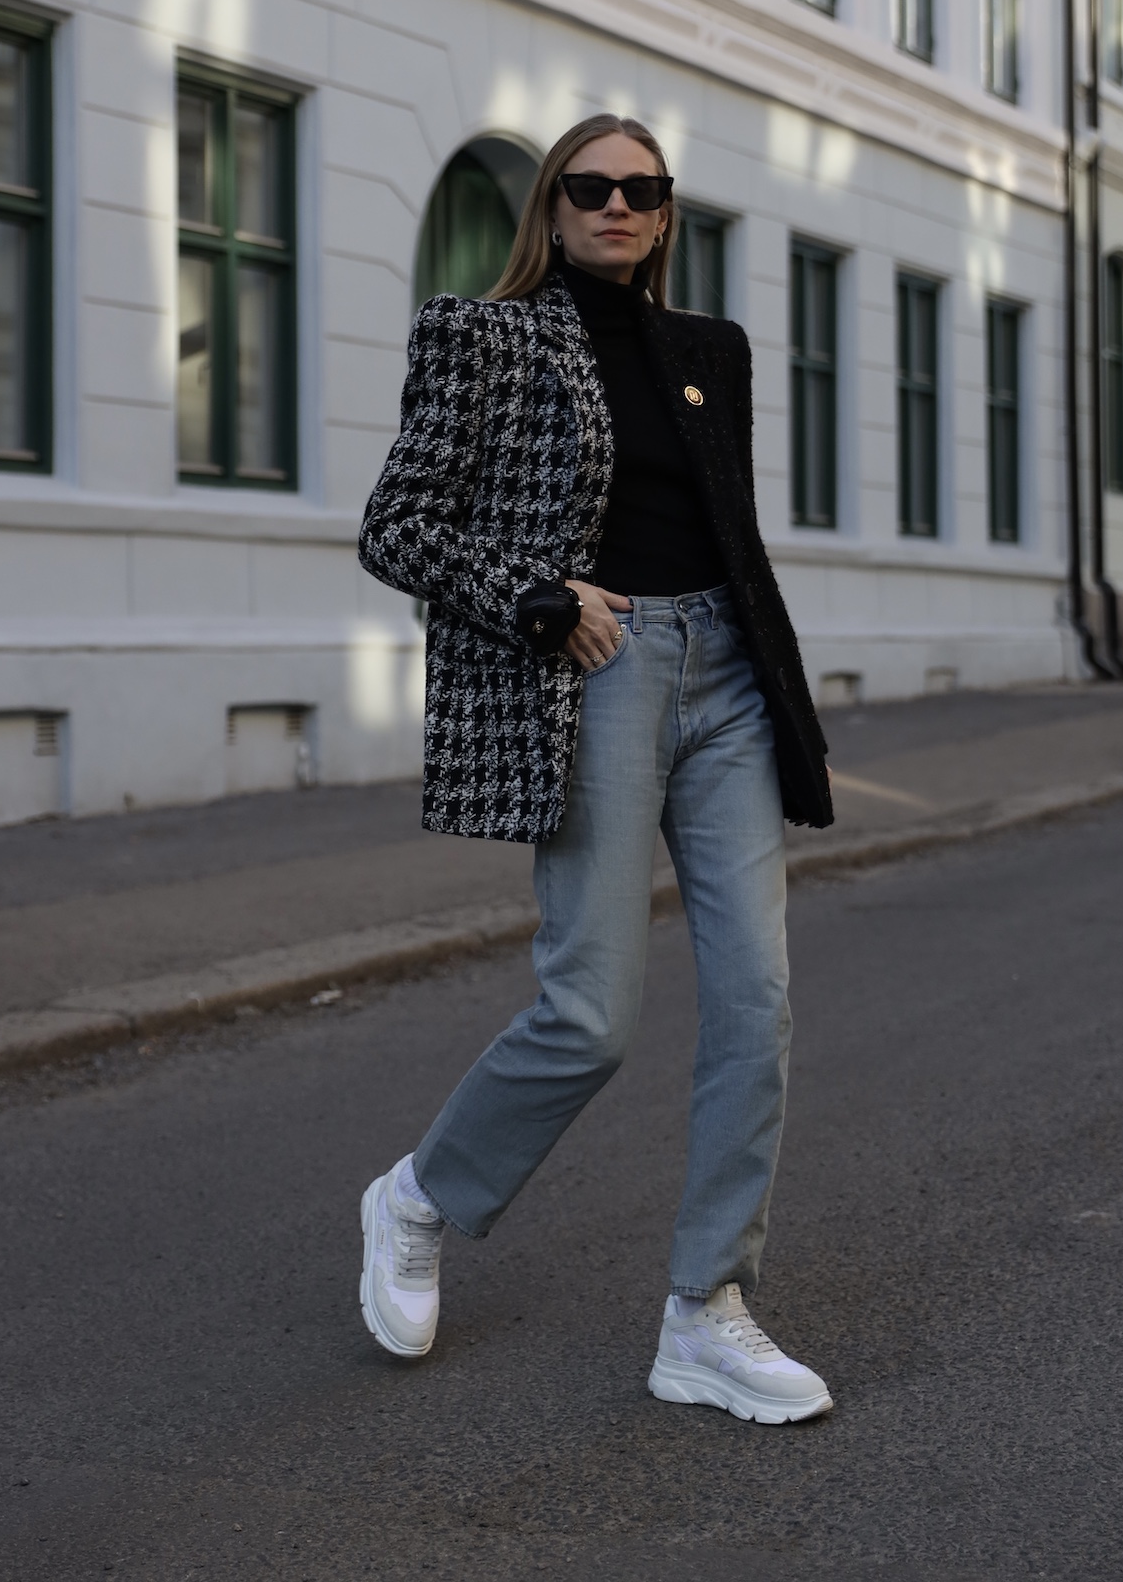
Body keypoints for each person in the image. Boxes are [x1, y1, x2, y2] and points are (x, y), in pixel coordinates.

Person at [356, 112, 835, 1424]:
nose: (616, 206)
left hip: (725, 676)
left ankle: (705, 1311)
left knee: (758, 1000)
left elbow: (728, 531)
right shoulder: (482, 335)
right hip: (601, 668)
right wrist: (530, 595)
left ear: (665, 212)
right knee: (590, 1011)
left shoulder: (709, 353)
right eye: (590, 187)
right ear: (551, 207)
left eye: (642, 189)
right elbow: (397, 526)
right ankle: (417, 1198)